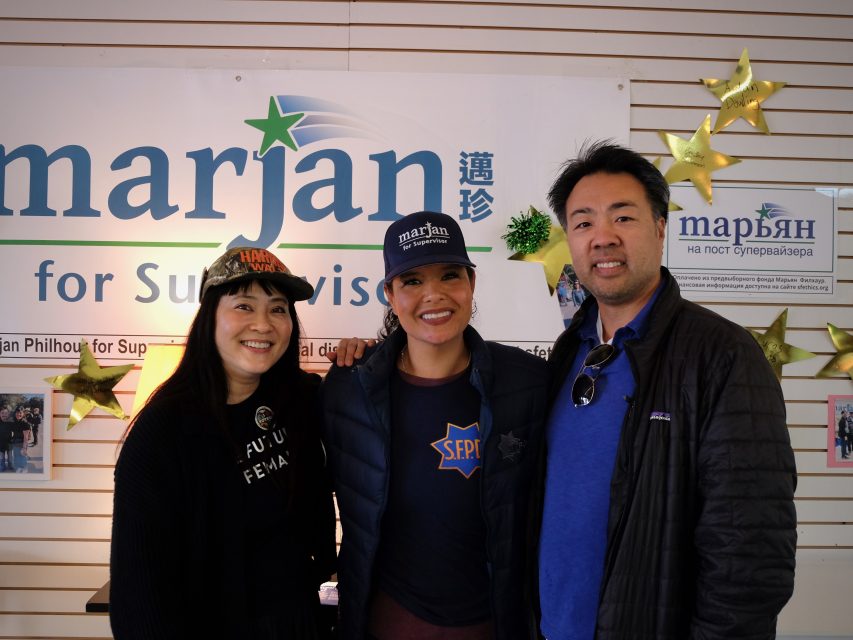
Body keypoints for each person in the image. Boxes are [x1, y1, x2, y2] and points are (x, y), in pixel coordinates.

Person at [529, 141, 798, 639]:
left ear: (659, 228)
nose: (602, 238)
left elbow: (750, 551)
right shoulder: (570, 351)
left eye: (623, 218)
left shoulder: (723, 355)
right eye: (584, 223)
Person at [322, 211, 549, 640]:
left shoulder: (528, 382)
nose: (434, 294)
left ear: (471, 284)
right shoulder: (348, 388)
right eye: (412, 281)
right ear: (390, 293)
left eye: (449, 275)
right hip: (388, 621)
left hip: (497, 623)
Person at [110, 247, 336, 639]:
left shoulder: (301, 398)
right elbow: (138, 596)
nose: (264, 324)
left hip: (301, 621)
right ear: (209, 317)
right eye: (244, 306)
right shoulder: (162, 433)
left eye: (278, 309)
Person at [0, 405, 13, 472]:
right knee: (1, 458)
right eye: (2, 413)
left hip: (9, 443)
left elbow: (17, 430)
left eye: (5, 413)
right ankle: (2, 466)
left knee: (10, 457)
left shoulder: (11, 423)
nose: (4, 414)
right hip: (0, 444)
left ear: (8, 414)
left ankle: (10, 465)